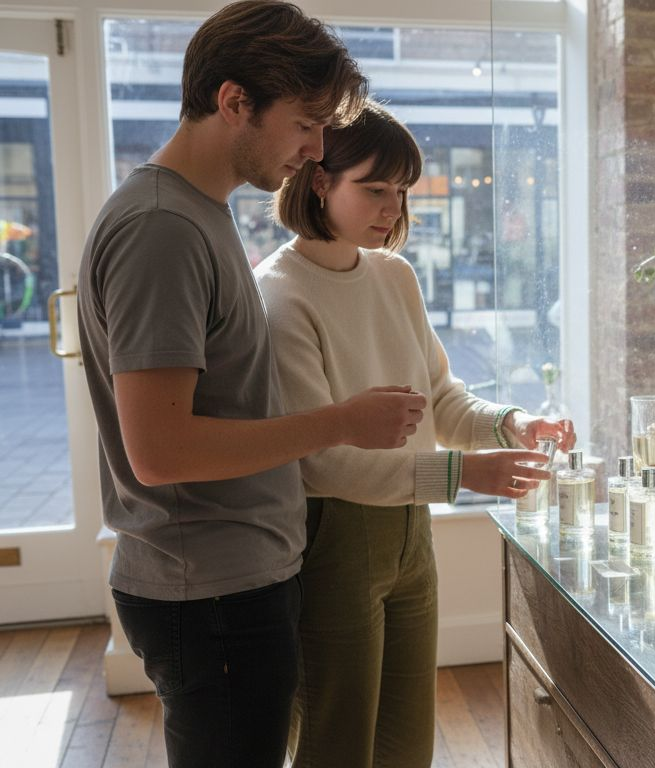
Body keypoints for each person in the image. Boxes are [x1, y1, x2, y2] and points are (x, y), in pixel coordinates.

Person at [76, 3, 428, 766]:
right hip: (208, 593)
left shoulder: (198, 215)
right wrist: (340, 422)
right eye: (305, 123)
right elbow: (161, 451)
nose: (314, 150)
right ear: (235, 102)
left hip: (233, 582)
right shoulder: (162, 229)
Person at [255, 101, 575, 768]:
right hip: (333, 538)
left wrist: (508, 423)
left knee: (406, 745)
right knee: (335, 744)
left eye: (400, 192)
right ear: (319, 181)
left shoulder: (393, 275)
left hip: (409, 535)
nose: (392, 209)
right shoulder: (280, 295)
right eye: (375, 189)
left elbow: (438, 398)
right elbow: (324, 464)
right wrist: (462, 475)